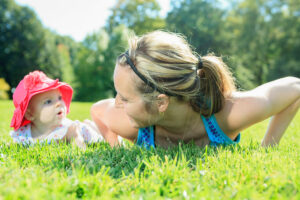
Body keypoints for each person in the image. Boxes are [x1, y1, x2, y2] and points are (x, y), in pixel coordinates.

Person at [91, 30, 300, 149]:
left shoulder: (227, 116)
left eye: (125, 98)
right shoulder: (131, 126)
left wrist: (268, 147)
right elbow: (97, 110)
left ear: (161, 102)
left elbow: (294, 88)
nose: (117, 102)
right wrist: (115, 146)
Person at [10, 71, 104, 147]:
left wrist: (75, 136)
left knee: (101, 135)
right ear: (30, 114)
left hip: (84, 131)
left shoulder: (68, 129)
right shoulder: (23, 134)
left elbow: (80, 149)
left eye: (59, 98)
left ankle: (95, 126)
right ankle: (90, 123)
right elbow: (12, 147)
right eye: (48, 101)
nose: (58, 103)